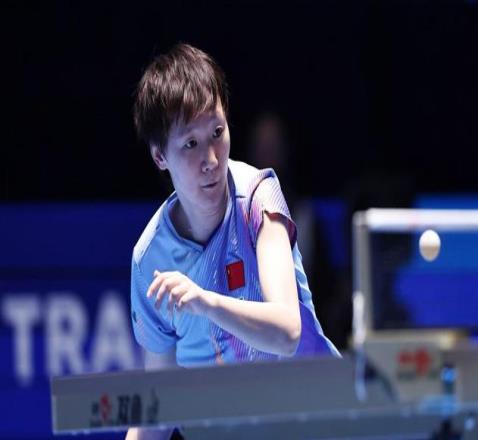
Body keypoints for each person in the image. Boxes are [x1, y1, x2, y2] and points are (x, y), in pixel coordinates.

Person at [127, 43, 340, 439]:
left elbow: (286, 332)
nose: (211, 158)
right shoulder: (149, 260)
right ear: (160, 157)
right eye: (190, 144)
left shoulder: (258, 198)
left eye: (217, 132)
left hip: (310, 422)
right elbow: (158, 407)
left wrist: (204, 301)